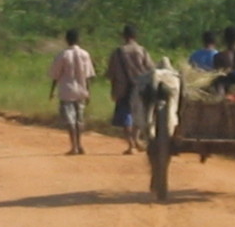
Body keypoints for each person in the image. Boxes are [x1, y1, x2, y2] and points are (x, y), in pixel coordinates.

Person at [106, 24, 155, 154]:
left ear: (123, 36)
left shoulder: (117, 52)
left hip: (123, 88)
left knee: (125, 116)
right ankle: (136, 139)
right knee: (138, 114)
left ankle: (131, 145)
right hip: (141, 87)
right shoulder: (142, 51)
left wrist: (113, 88)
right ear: (135, 36)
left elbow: (111, 73)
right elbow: (151, 69)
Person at [48, 28, 96, 155]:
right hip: (81, 90)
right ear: (78, 39)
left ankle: (73, 146)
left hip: (67, 91)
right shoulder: (85, 54)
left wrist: (52, 91)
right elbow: (88, 75)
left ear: (66, 40)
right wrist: (88, 91)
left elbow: (55, 75)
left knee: (70, 120)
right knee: (79, 120)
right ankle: (80, 145)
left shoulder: (62, 55)